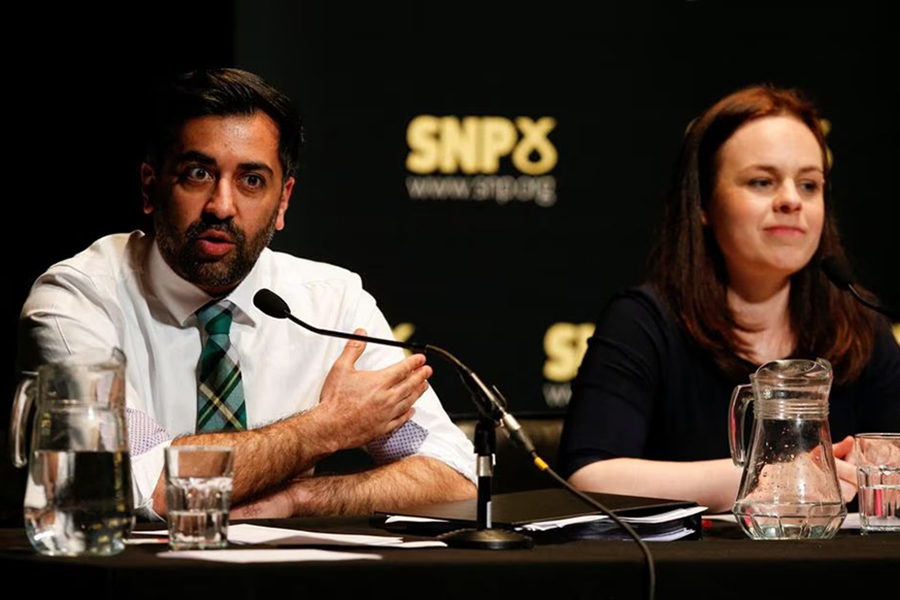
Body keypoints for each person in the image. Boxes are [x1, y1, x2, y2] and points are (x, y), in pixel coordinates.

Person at [18, 68, 476, 520]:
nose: (222, 205)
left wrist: (302, 499)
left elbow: (454, 475)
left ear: (283, 203)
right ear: (149, 186)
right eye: (198, 173)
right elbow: (143, 483)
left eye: (251, 180)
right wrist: (324, 429)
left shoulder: (332, 303)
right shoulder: (77, 301)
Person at [558, 85, 900, 513]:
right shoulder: (644, 322)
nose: (792, 200)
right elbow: (590, 477)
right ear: (703, 203)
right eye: (762, 181)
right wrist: (767, 478)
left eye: (809, 185)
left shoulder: (861, 325)